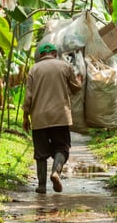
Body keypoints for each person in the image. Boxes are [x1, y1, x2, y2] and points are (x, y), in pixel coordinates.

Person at [22, 42, 82, 193]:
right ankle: (56, 172)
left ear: (41, 55)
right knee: (62, 147)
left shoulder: (34, 69)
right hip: (60, 116)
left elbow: (28, 96)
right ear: (55, 54)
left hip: (39, 117)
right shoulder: (65, 66)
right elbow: (76, 88)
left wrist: (25, 116)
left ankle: (42, 186)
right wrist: (79, 80)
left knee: (40, 154)